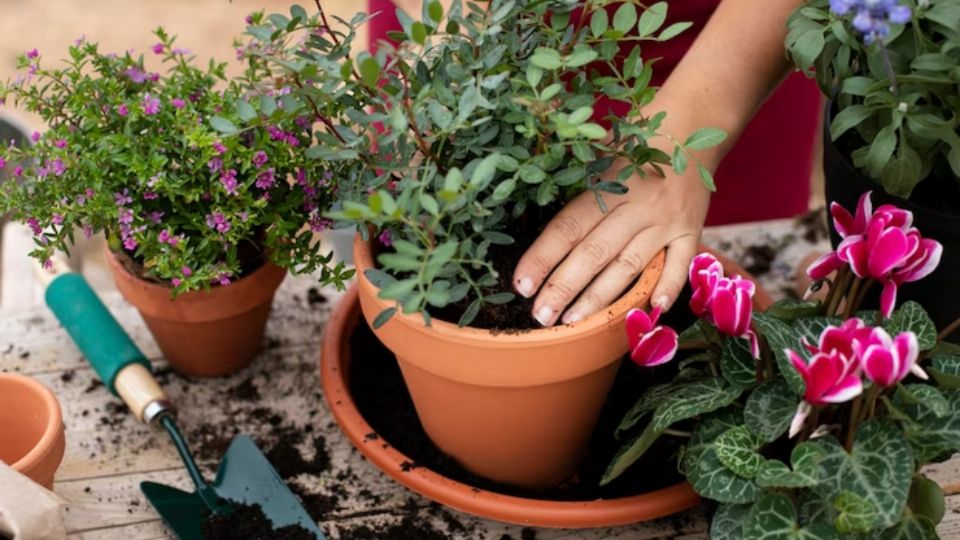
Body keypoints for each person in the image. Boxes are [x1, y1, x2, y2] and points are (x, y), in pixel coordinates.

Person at [369, 0, 820, 326]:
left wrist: (686, 135)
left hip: (725, 50)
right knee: (421, 229)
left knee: (707, 284)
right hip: (453, 37)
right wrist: (452, 51)